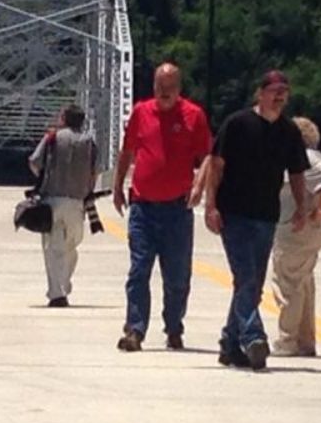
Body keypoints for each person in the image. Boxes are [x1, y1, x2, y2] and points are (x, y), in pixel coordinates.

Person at [203, 70, 309, 370]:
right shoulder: (237, 124)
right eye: (274, 90)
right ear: (260, 94)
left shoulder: (289, 132)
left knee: (250, 283)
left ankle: (229, 343)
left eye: (284, 92)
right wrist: (210, 205)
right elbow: (216, 166)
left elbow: (298, 173)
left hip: (266, 215)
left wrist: (301, 208)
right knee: (247, 277)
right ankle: (253, 337)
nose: (279, 97)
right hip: (233, 213)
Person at [113, 62, 213, 352]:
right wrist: (119, 185)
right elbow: (127, 151)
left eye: (170, 87)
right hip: (143, 206)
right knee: (138, 270)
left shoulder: (193, 116)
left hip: (177, 209)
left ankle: (173, 327)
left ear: (179, 88)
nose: (164, 92)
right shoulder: (141, 112)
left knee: (177, 275)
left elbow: (207, 155)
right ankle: (135, 329)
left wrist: (199, 185)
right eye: (159, 87)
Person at [269, 117, 321, 356]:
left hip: (296, 231)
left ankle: (287, 342)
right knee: (303, 285)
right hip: (306, 232)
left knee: (288, 285)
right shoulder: (306, 157)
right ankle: (305, 342)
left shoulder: (304, 158)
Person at [29, 105, 97, 308]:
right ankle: (59, 290)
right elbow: (94, 173)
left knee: (52, 248)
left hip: (52, 200)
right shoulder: (90, 142)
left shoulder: (52, 138)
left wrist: (44, 178)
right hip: (77, 202)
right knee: (71, 246)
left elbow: (34, 161)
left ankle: (59, 290)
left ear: (64, 118)